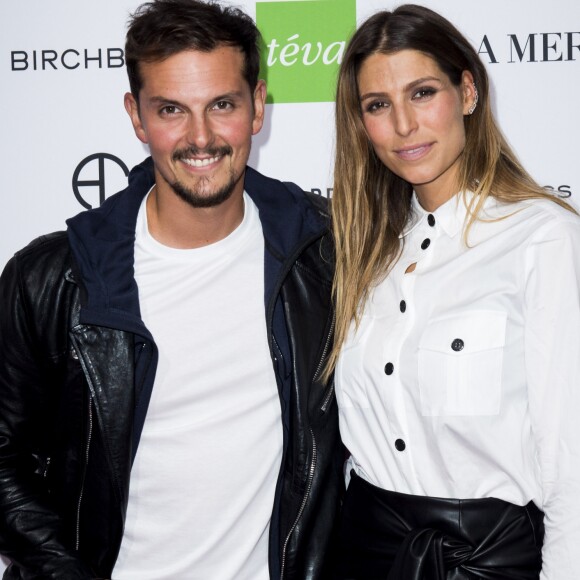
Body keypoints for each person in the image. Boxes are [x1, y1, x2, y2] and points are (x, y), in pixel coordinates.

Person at [0, 1, 343, 578]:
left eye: (223, 105)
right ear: (136, 117)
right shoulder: (51, 279)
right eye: (171, 110)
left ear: (258, 105)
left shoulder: (325, 252)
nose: (201, 137)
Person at [327, 4, 580, 579]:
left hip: (490, 561)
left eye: (422, 93)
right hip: (363, 554)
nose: (403, 125)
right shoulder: (364, 251)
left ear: (467, 91)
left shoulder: (543, 238)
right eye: (377, 105)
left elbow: (572, 461)